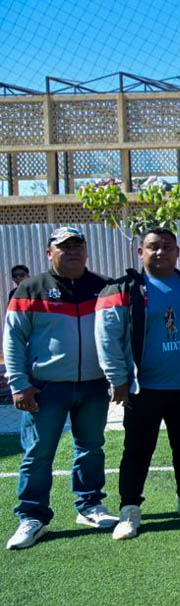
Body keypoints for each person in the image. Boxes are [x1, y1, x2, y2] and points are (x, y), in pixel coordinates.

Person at [96, 228, 180, 540]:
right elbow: (107, 338)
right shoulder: (122, 288)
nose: (160, 252)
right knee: (137, 450)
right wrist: (118, 379)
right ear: (140, 252)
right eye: (153, 247)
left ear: (177, 252)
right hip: (143, 389)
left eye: (167, 246)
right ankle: (130, 510)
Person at [4, 228, 113, 550]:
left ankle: (90, 505)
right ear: (48, 252)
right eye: (64, 246)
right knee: (38, 454)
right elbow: (13, 340)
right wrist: (19, 384)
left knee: (91, 448)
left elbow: (118, 333)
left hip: (93, 384)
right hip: (46, 388)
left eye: (78, 245)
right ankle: (32, 516)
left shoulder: (104, 287)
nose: (72, 251)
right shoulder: (29, 289)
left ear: (86, 250)